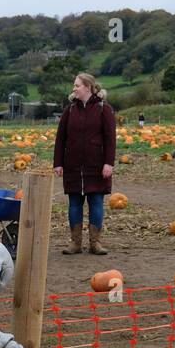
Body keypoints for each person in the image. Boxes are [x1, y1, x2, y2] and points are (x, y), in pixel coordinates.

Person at [54, 72, 117, 256]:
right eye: (74, 85)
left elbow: (110, 139)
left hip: (96, 166)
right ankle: (75, 243)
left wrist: (109, 163)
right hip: (73, 165)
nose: (74, 88)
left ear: (88, 87)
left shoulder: (103, 109)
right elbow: (60, 139)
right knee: (74, 203)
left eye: (77, 85)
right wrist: (58, 163)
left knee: (96, 202)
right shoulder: (70, 110)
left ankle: (95, 243)